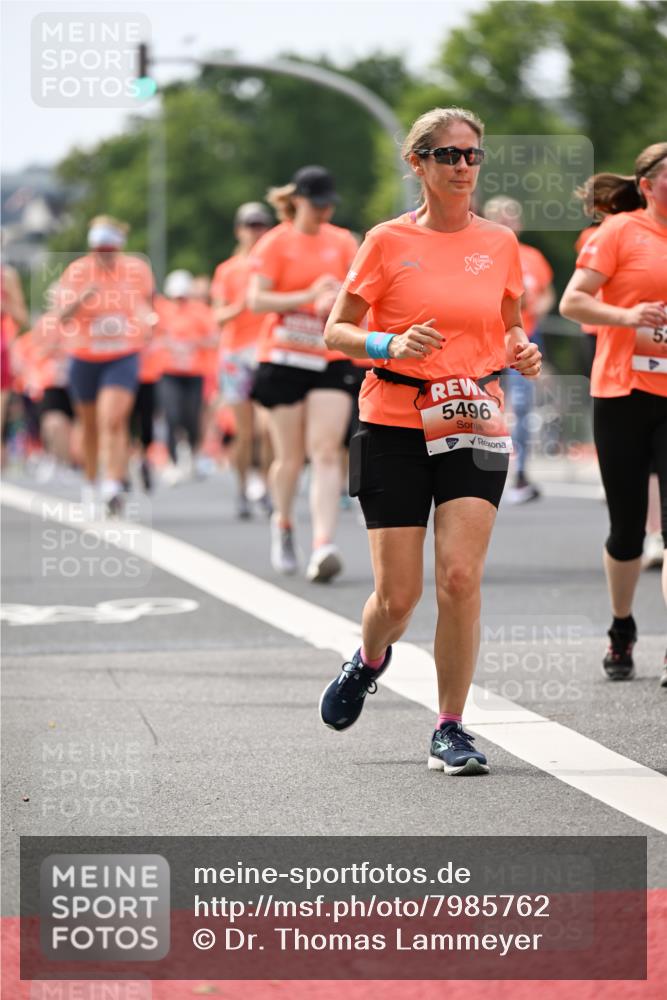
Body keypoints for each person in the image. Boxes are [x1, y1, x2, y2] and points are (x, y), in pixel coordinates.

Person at [317, 107, 540, 774]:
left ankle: (449, 726)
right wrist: (389, 341)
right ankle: (370, 658)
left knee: (459, 577)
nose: (463, 167)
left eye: (472, 155)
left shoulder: (499, 244)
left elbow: (507, 327)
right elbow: (336, 330)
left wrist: (520, 352)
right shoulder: (385, 241)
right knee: (398, 597)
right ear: (417, 164)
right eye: (448, 156)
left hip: (471, 413)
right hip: (392, 419)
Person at [559, 142, 667, 687]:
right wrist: (627, 314)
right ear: (647, 185)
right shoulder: (619, 233)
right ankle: (622, 626)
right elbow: (572, 302)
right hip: (623, 392)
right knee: (626, 532)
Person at [247, 166, 359, 581]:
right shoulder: (275, 243)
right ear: (297, 201)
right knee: (290, 458)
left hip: (329, 356)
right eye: (317, 204)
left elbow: (357, 290)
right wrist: (307, 295)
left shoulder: (342, 240)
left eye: (329, 204)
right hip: (283, 358)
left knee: (327, 451)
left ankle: (323, 544)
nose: (325, 211)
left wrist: (333, 300)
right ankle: (283, 523)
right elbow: (256, 300)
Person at [55, 215, 154, 515]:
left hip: (122, 354)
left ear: (119, 247)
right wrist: (82, 299)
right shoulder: (78, 271)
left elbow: (144, 303)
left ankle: (113, 482)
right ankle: (89, 482)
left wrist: (147, 321)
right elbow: (62, 316)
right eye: (99, 249)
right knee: (89, 425)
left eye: (110, 249)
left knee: (113, 419)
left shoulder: (136, 269)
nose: (104, 255)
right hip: (85, 356)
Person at [483, 197, 555, 503]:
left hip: (522, 338)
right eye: (502, 217)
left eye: (513, 217)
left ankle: (521, 472)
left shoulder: (533, 256)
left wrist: (539, 308)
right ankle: (478, 467)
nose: (510, 222)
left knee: (523, 406)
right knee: (484, 404)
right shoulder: (482, 253)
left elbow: (548, 292)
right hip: (486, 339)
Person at [211, 202, 273, 518]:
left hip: (266, 350)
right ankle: (241, 490)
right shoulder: (228, 270)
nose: (256, 231)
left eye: (261, 224)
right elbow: (218, 316)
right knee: (244, 431)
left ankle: (264, 486)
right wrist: (242, 305)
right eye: (250, 225)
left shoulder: (274, 264)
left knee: (267, 428)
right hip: (236, 353)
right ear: (239, 230)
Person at [156, 270, 218, 484]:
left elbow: (213, 338)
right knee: (172, 415)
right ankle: (173, 461)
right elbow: (150, 334)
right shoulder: (162, 310)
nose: (179, 301)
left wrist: (194, 342)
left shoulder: (200, 311)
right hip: (169, 373)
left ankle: (193, 452)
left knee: (192, 418)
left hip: (194, 373)